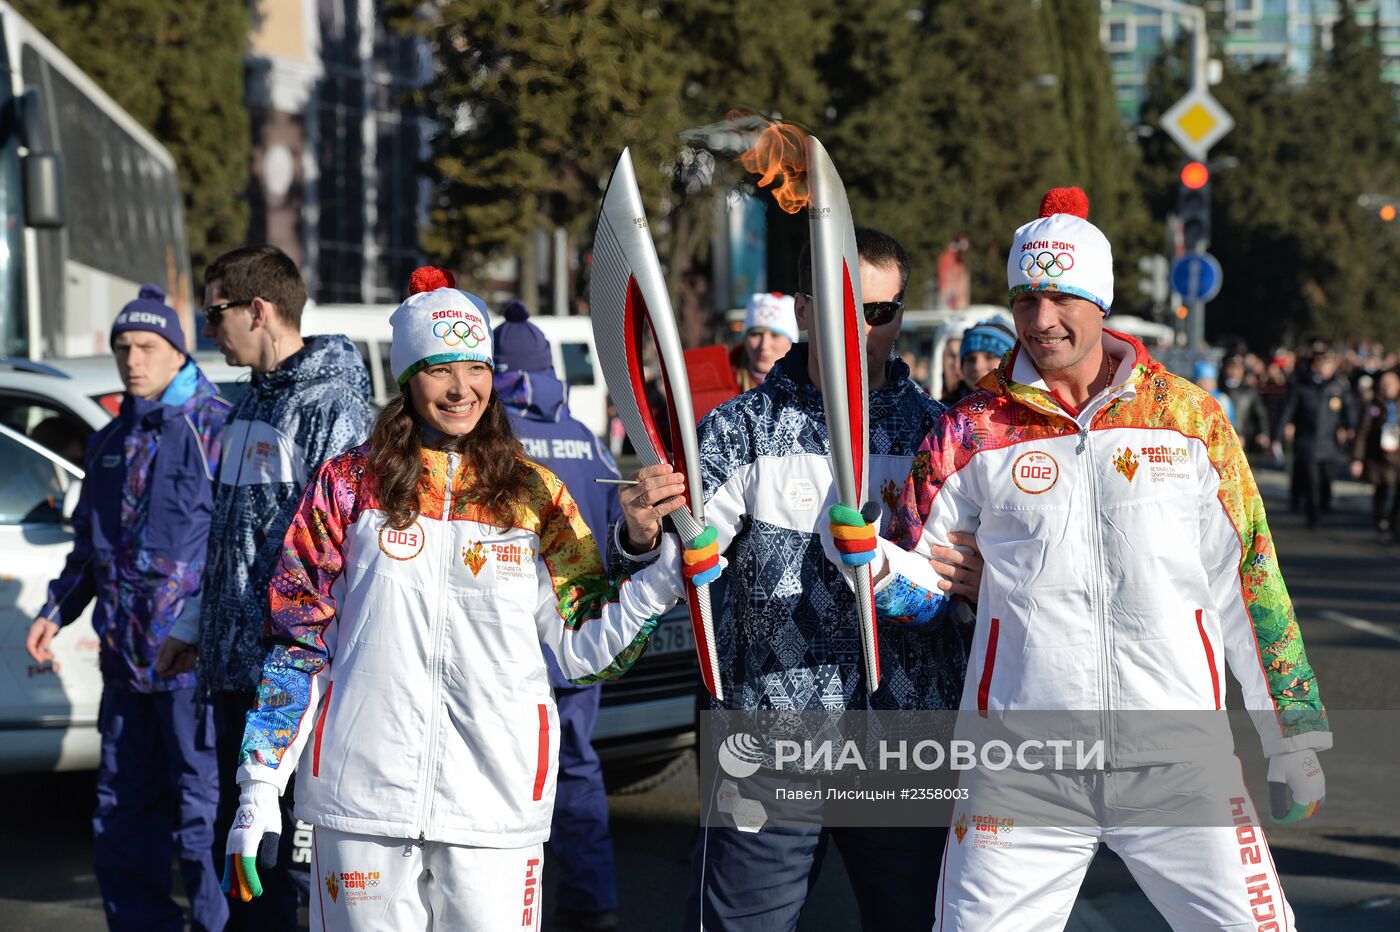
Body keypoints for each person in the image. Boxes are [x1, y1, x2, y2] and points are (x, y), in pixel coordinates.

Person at [864, 187, 1329, 929]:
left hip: (1180, 760)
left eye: (1059, 297)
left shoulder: (1187, 419)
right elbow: (927, 582)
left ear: (1098, 300)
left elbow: (1249, 581)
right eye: (1024, 300)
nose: (1040, 320)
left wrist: (1292, 736)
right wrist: (875, 568)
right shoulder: (969, 431)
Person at [220, 268, 688, 931]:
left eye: (475, 367)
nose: (461, 388)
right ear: (409, 377)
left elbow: (586, 653)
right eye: (441, 369)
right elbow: (298, 642)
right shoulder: (349, 484)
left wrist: (662, 579)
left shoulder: (534, 495)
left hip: (495, 807)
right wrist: (260, 788)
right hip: (361, 803)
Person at [613, 229, 984, 932]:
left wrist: (975, 583)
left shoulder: (939, 436)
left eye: (881, 312)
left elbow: (973, 586)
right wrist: (637, 536)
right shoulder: (738, 432)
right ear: (805, 312)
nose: (863, 330)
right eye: (846, 310)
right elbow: (672, 572)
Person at [156, 244, 375, 927]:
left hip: (291, 686)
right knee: (246, 869)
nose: (207, 330)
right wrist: (195, 627)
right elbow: (231, 537)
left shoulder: (333, 404)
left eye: (215, 311)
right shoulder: (248, 400)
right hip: (231, 674)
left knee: (292, 883)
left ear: (260, 309)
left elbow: (344, 550)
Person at [27, 285, 231, 932]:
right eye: (122, 348)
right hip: (124, 660)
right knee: (121, 811)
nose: (132, 360)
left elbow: (241, 546)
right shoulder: (112, 439)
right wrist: (55, 610)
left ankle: (215, 925)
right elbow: (91, 546)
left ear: (177, 352)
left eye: (146, 347)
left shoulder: (217, 430)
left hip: (188, 664)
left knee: (202, 812)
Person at [493, 297, 625, 931]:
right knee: (574, 769)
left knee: (503, 782)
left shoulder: (491, 444)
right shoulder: (583, 439)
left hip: (506, 647)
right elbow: (619, 528)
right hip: (577, 641)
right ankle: (592, 903)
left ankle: (513, 910)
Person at [1273, 345, 1355, 527]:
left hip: (1330, 440)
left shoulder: (1338, 386)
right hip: (1307, 439)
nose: (1327, 368)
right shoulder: (1302, 385)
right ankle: (1313, 513)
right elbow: (1288, 410)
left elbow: (1348, 408)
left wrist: (1349, 427)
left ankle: (1323, 505)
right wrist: (1278, 436)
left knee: (1326, 478)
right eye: (1323, 364)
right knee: (1312, 479)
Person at [1351, 368, 1400, 541]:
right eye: (1384, 384)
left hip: (1397, 457)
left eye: (1391, 384)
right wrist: (1357, 459)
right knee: (1382, 490)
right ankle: (1381, 521)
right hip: (1378, 457)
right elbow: (1362, 432)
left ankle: (1394, 522)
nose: (1387, 387)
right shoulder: (1373, 405)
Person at [730, 292, 798, 392]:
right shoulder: (721, 381)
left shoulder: (810, 385)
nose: (764, 346)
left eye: (775, 335)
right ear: (745, 339)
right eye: (756, 334)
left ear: (791, 342)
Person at [947, 317, 1015, 403]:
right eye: (970, 359)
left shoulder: (1030, 410)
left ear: (1011, 363)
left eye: (989, 357)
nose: (977, 367)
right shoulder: (943, 412)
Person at [1220, 354, 1271, 453]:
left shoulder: (1249, 392)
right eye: (1231, 367)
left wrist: (1263, 433)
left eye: (1238, 368)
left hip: (1242, 439)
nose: (1234, 372)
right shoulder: (1219, 391)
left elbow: (1260, 414)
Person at [1192, 359, 1235, 425]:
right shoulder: (1190, 398)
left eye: (1208, 380)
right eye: (1201, 380)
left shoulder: (1222, 399)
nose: (1204, 384)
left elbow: (1228, 424)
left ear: (1214, 382)